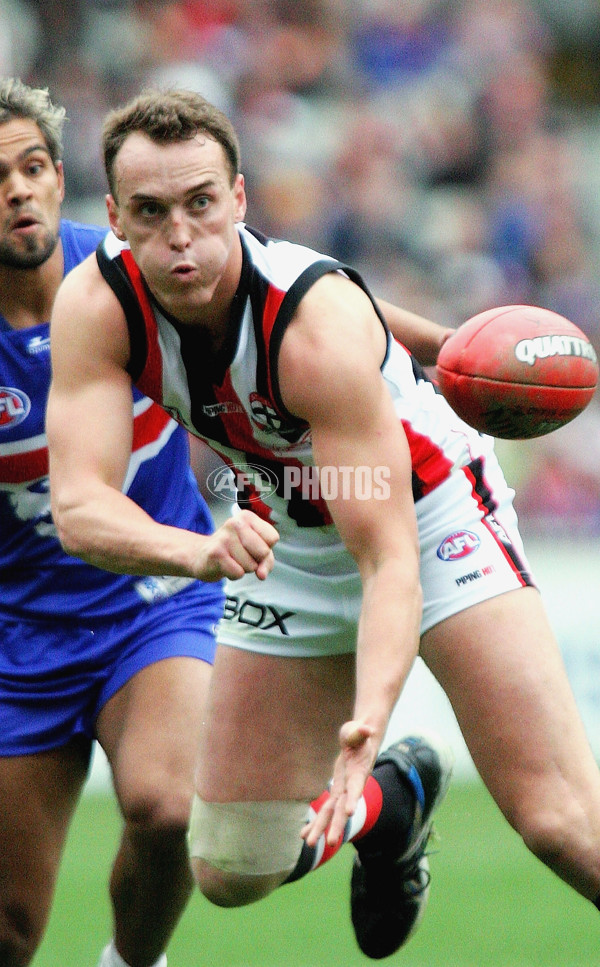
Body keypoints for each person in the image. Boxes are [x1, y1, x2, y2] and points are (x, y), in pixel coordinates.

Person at [45, 87, 600, 958]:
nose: (180, 237)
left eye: (200, 205)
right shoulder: (95, 304)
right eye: (150, 213)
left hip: (427, 517)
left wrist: (367, 720)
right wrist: (199, 549)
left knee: (563, 825)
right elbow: (77, 509)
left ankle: (385, 765)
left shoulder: (311, 329)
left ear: (239, 196)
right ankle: (397, 799)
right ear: (113, 215)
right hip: (291, 537)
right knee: (232, 865)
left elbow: (387, 560)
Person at [0, 76, 284, 967]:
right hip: (16, 635)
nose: (16, 190)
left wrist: (440, 348)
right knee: (9, 929)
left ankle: (130, 962)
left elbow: (310, 298)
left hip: (155, 599)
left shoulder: (136, 266)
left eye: (32, 166)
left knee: (168, 807)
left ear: (60, 178)